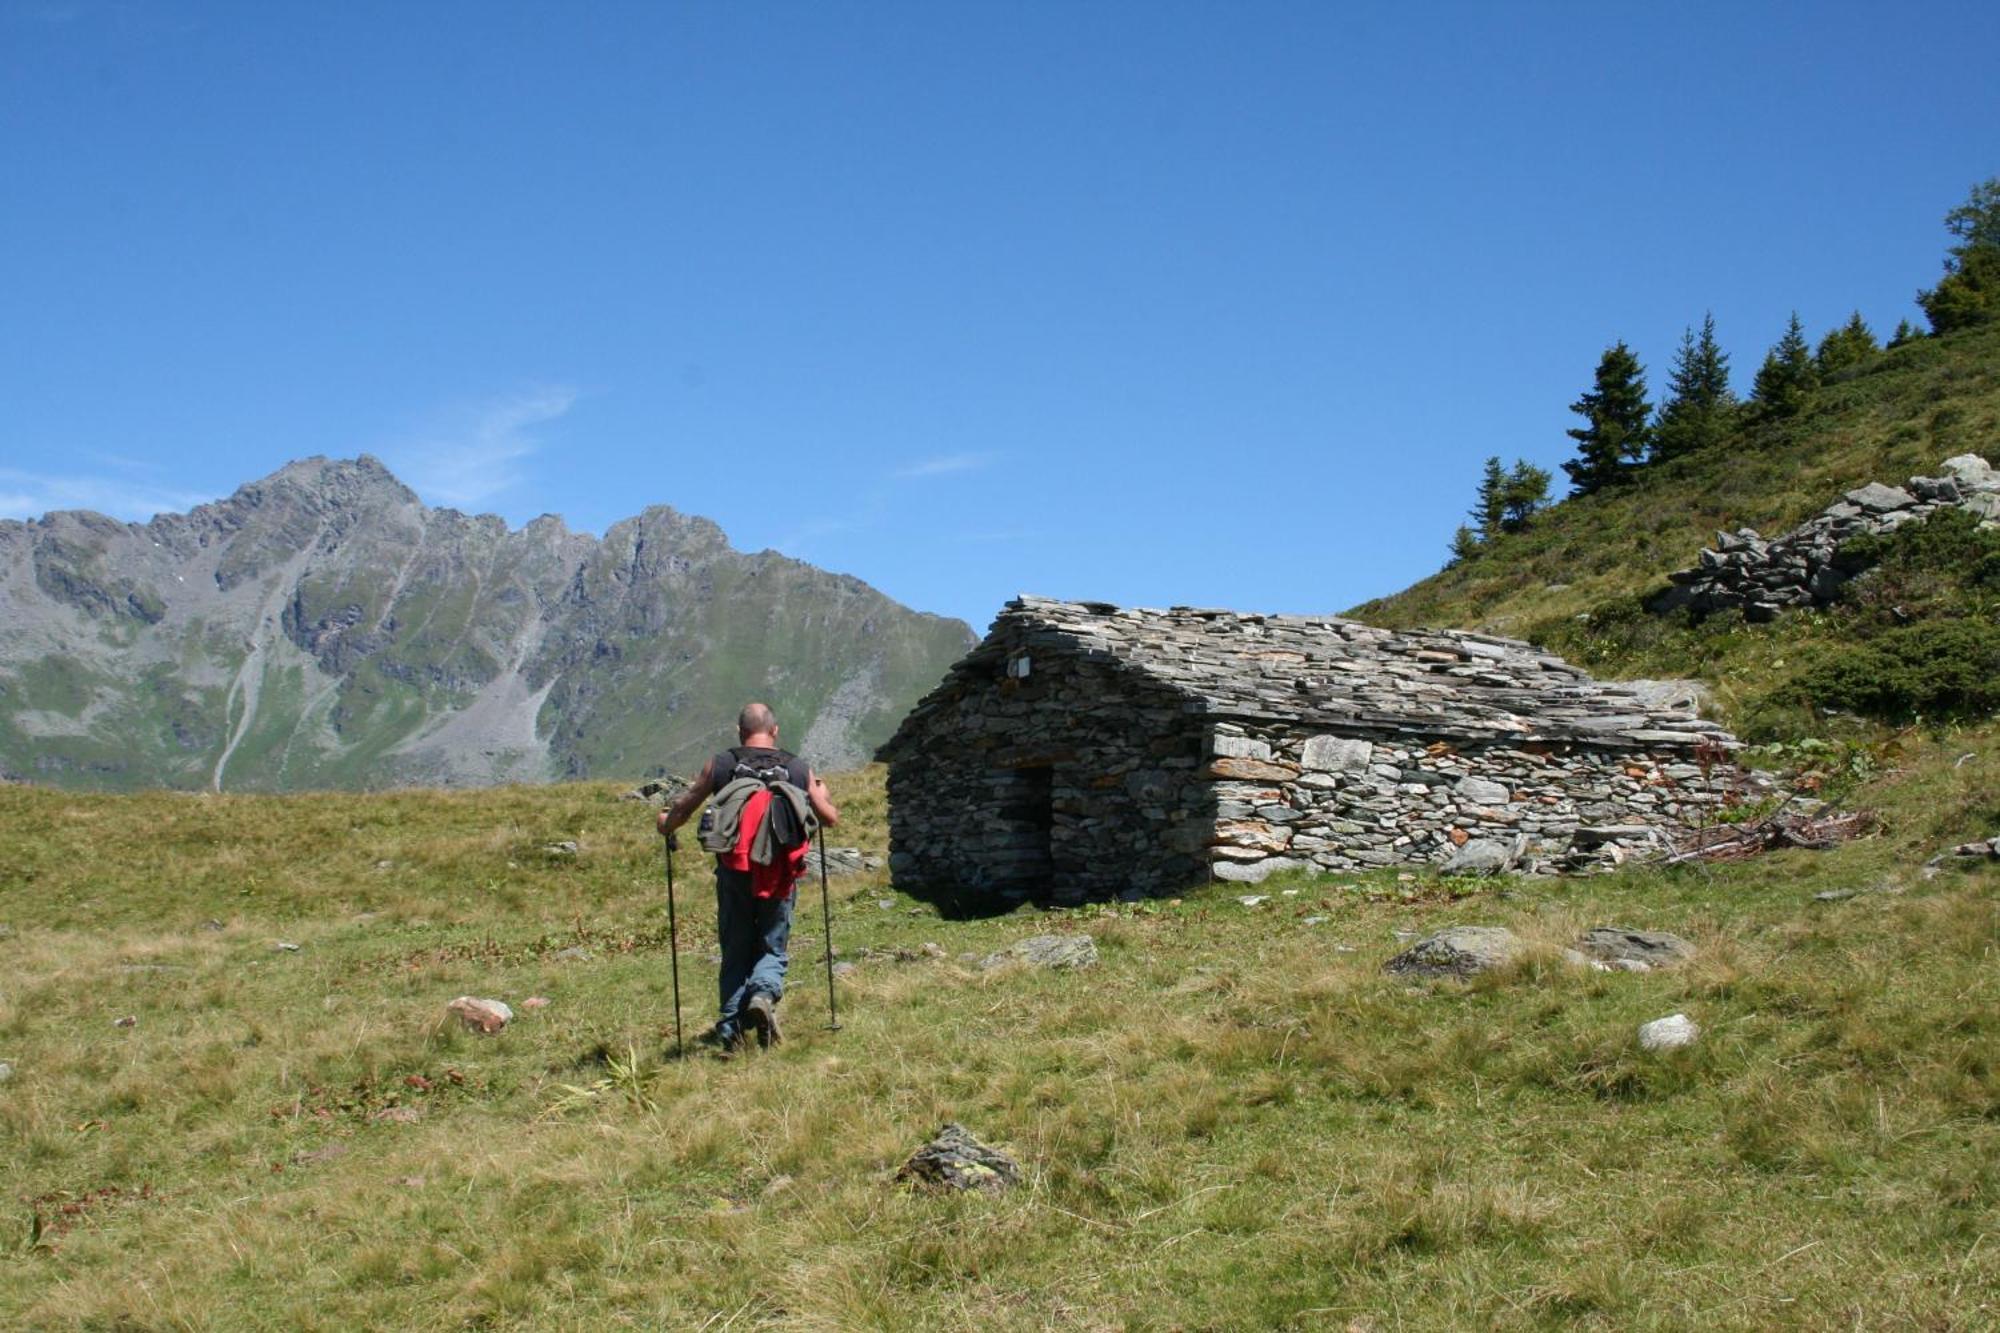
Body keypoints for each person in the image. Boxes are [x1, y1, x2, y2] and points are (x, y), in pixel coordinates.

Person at [657, 702, 839, 1052]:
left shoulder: (722, 763)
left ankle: (731, 1032)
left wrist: (666, 823)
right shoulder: (797, 767)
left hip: (734, 870)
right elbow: (829, 817)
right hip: (781, 872)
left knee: (736, 947)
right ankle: (763, 993)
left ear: (740, 732)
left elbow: (687, 804)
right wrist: (823, 792)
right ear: (774, 730)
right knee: (773, 942)